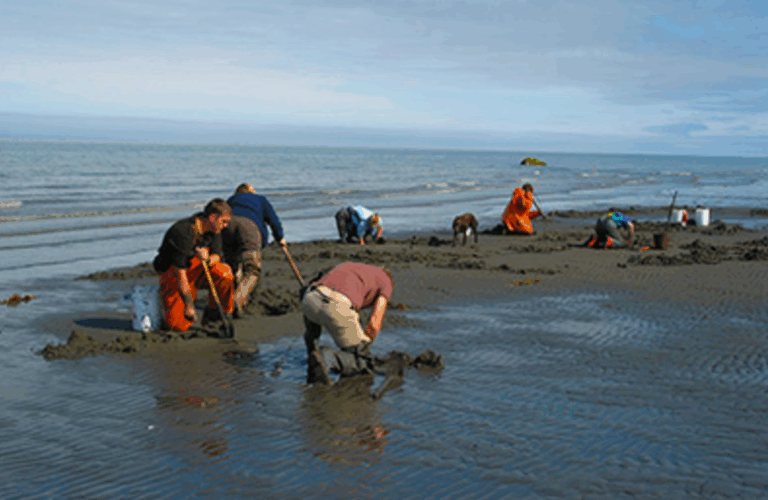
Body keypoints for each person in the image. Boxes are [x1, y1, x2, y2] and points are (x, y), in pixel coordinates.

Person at [301, 262, 394, 385]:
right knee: (362, 363)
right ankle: (326, 358)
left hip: (310, 298)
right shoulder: (386, 282)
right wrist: (363, 350)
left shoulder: (351, 267)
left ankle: (313, 355)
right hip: (336, 306)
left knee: (313, 325)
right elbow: (374, 324)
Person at [152, 199, 234, 332]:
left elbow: (217, 256)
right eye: (224, 221)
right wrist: (189, 305)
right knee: (177, 326)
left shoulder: (215, 230)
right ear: (212, 217)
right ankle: (163, 299)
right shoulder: (183, 232)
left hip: (198, 271)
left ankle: (214, 315)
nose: (225, 225)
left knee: (225, 272)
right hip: (173, 274)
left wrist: (207, 259)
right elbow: (180, 274)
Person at [225, 183, 287, 314]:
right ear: (251, 191)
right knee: (252, 270)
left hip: (228, 227)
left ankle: (235, 299)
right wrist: (280, 237)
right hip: (249, 229)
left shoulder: (231, 200)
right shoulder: (260, 199)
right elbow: (273, 220)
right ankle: (237, 300)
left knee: (234, 267)